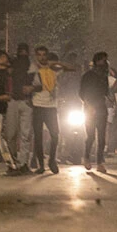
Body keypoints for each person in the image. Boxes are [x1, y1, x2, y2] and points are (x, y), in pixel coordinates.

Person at [29, 46, 71, 174]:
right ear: (36, 56)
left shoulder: (53, 70)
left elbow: (71, 67)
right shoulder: (33, 69)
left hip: (51, 106)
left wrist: (55, 63)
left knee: (55, 135)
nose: (42, 57)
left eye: (44, 55)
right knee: (38, 136)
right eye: (39, 55)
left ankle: (52, 159)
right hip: (37, 105)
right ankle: (41, 164)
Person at [4, 44, 34, 176]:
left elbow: (37, 83)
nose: (23, 54)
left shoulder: (32, 66)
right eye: (21, 52)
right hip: (13, 101)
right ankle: (13, 163)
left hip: (25, 102)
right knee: (11, 134)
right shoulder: (11, 66)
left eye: (24, 52)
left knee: (25, 135)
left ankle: (22, 164)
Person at [79, 52, 111, 172]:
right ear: (97, 61)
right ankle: (86, 157)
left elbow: (105, 91)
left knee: (102, 137)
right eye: (103, 60)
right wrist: (89, 106)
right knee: (91, 136)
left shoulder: (104, 76)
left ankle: (99, 162)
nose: (105, 63)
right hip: (89, 108)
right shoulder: (87, 76)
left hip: (101, 108)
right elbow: (82, 93)